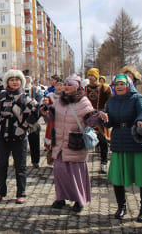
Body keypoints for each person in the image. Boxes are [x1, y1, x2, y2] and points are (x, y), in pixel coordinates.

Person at [42, 74, 102, 213]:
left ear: (77, 87)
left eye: (71, 85)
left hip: (75, 143)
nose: (67, 87)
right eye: (66, 84)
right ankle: (60, 198)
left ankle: (79, 200)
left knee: (76, 174)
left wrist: (99, 117)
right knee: (60, 172)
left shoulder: (84, 102)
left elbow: (91, 120)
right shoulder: (59, 101)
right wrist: (44, 111)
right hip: (60, 144)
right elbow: (50, 117)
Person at [0, 69, 40, 204]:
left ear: (21, 82)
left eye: (17, 80)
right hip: (2, 136)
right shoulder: (1, 96)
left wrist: (25, 126)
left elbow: (37, 111)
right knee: (1, 165)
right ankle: (0, 191)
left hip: (19, 137)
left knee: (20, 166)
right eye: (11, 80)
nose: (14, 82)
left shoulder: (24, 97)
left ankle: (21, 192)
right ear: (7, 81)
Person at [100, 74, 142, 222]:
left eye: (122, 84)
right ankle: (121, 207)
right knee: (117, 177)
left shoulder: (137, 98)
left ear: (128, 85)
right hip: (119, 141)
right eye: (116, 84)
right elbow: (110, 123)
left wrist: (140, 121)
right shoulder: (111, 101)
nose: (119, 86)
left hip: (135, 141)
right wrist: (105, 119)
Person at [85, 68, 113, 173]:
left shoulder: (105, 88)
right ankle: (83, 163)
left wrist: (105, 113)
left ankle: (104, 163)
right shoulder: (85, 89)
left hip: (101, 118)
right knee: (86, 140)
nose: (90, 77)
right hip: (89, 118)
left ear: (97, 76)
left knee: (103, 140)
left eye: (92, 75)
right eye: (89, 75)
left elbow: (111, 102)